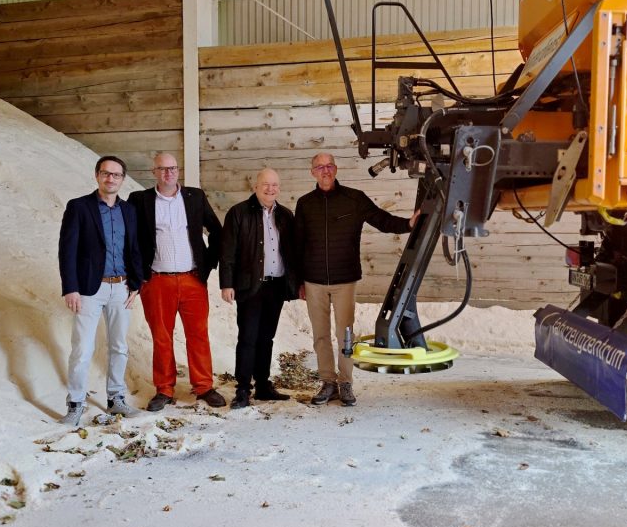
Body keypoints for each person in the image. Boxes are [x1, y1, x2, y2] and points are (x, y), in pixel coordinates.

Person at [294, 152, 420, 407]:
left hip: (345, 280)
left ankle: (345, 382)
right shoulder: (305, 204)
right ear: (313, 172)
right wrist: (298, 281)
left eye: (329, 166)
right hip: (314, 281)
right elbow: (297, 243)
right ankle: (328, 382)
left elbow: (382, 220)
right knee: (320, 335)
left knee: (345, 334)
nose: (325, 171)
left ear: (336, 169)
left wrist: (408, 224)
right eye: (320, 167)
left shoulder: (354, 198)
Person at [129, 152, 225, 410]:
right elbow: (130, 240)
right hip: (157, 281)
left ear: (178, 171)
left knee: (198, 335)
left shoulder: (195, 197)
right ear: (154, 172)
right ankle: (164, 389)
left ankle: (203, 386)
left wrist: (207, 264)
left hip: (192, 279)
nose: (168, 173)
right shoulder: (140, 200)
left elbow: (217, 231)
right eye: (162, 169)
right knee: (161, 337)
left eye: (172, 168)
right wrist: (139, 275)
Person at [57, 156, 144, 427]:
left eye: (116, 175)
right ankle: (75, 404)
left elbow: (135, 248)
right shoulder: (79, 207)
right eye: (106, 173)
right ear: (97, 175)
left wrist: (137, 284)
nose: (110, 178)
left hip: (122, 287)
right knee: (82, 348)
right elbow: (67, 250)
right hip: (88, 289)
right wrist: (71, 288)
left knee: (119, 346)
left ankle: (116, 398)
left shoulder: (129, 210)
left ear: (122, 179)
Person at [219, 168, 300, 409]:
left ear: (279, 188)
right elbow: (227, 251)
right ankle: (243, 389)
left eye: (274, 185)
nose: (270, 189)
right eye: (265, 184)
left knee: (267, 337)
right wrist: (227, 283)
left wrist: (297, 283)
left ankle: (263, 385)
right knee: (248, 338)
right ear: (255, 186)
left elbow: (293, 253)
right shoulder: (239, 213)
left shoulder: (285, 215)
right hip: (250, 286)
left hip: (276, 286)